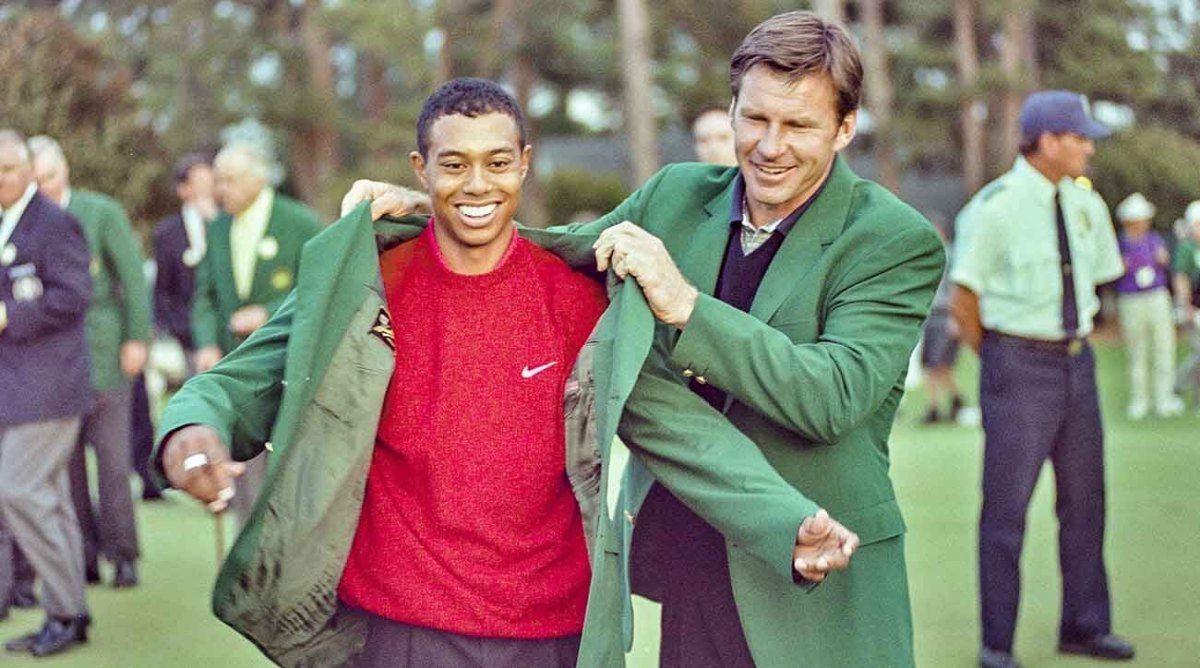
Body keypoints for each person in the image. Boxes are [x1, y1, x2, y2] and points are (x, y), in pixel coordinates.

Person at [154, 78, 860, 668]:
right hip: (402, 632)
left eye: (497, 162)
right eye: (453, 164)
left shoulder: (577, 298)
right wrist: (190, 433)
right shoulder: (365, 282)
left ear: (524, 165)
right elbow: (237, 381)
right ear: (421, 169)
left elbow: (682, 431)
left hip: (549, 636)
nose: (476, 184)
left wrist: (786, 521)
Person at [352, 11, 944, 666]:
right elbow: (551, 263)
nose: (770, 145)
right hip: (687, 563)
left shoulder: (893, 240)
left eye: (799, 125)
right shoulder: (675, 193)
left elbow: (832, 397)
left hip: (819, 577)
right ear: (731, 110)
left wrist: (685, 305)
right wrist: (442, 210)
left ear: (845, 127)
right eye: (755, 118)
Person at [950, 90, 1135, 668]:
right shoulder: (995, 208)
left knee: (1085, 502)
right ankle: (997, 645)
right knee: (1007, 510)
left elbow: (1100, 278)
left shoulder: (1085, 203)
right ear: (1048, 142)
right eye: (1079, 138)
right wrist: (999, 358)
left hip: (1077, 362)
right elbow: (964, 300)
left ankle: (1084, 626)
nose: (1088, 149)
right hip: (1018, 366)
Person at [29, 135, 149, 589]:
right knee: (69, 467)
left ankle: (124, 554)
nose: (45, 187)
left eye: (50, 177)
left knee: (114, 463)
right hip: (53, 364)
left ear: (65, 170)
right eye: (36, 180)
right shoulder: (25, 222)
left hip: (104, 354)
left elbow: (132, 279)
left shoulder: (101, 213)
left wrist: (136, 337)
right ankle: (84, 556)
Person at [190, 143, 321, 525]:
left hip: (287, 366)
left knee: (287, 473)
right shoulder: (218, 228)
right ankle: (247, 550)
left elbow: (319, 285)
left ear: (259, 179)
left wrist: (267, 312)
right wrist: (207, 343)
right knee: (242, 472)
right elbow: (205, 295)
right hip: (237, 369)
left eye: (229, 181)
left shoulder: (299, 222)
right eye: (218, 181)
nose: (220, 190)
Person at [0, 129, 92, 657]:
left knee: (18, 489)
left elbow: (76, 294)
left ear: (30, 170)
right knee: (50, 499)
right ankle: (67, 611)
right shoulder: (8, 222)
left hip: (50, 386)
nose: (2, 180)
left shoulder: (54, 223)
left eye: (9, 169)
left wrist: (10, 315)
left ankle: (65, 610)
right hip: (18, 389)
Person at [1113, 192, 1182, 419]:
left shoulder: (1154, 239)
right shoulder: (1121, 243)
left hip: (1156, 296)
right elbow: (1114, 271)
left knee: (1163, 347)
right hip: (1131, 299)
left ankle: (1164, 398)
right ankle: (1139, 401)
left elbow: (1165, 261)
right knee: (1137, 350)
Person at [154, 153, 218, 364]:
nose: (208, 189)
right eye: (201, 184)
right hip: (188, 335)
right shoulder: (167, 233)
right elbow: (163, 288)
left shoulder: (228, 222)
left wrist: (216, 222)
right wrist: (179, 328)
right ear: (183, 190)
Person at [920, 225, 965, 424]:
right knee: (937, 364)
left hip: (945, 315)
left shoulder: (951, 257)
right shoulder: (928, 256)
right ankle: (951, 402)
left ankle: (936, 408)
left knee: (935, 364)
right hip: (932, 315)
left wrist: (956, 319)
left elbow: (958, 289)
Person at [1171, 200, 1200, 405]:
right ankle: (1177, 382)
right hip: (1194, 308)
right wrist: (1186, 305)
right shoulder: (1187, 248)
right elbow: (1181, 278)